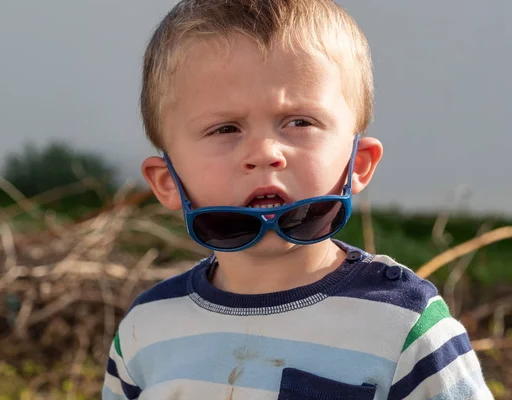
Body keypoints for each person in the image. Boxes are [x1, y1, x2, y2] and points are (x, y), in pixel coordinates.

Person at [102, 0, 493, 398]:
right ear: (168, 182)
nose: (265, 152)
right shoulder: (146, 329)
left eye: (299, 122)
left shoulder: (406, 326)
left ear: (357, 164)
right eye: (225, 129)